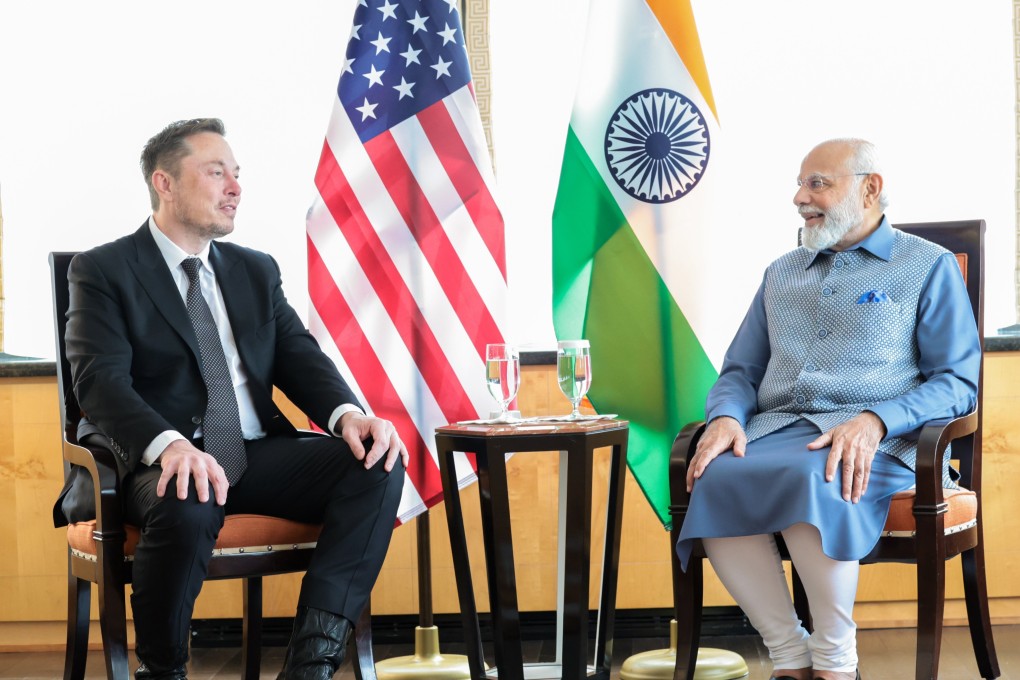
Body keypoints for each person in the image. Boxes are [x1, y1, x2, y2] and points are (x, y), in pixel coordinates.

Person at [53, 118, 407, 680]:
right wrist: (169, 446)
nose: (234, 187)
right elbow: (99, 384)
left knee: (377, 463)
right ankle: (163, 669)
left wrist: (349, 415)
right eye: (216, 172)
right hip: (157, 458)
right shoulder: (104, 270)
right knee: (189, 499)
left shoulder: (254, 269)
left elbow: (298, 355)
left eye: (237, 174)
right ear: (164, 182)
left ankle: (311, 663)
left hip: (252, 451)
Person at [675, 138, 981, 680]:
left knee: (817, 474)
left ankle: (837, 661)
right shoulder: (781, 272)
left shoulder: (928, 267)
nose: (800, 197)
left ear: (870, 188)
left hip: (881, 441)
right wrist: (724, 416)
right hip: (777, 430)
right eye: (799, 184)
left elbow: (957, 382)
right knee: (712, 474)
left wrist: (875, 419)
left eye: (818, 183)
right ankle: (790, 655)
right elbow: (742, 371)